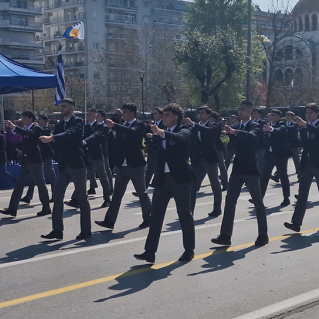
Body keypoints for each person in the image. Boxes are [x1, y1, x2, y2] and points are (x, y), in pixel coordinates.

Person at [134, 103, 195, 264]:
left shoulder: (184, 130)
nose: (163, 118)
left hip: (180, 179)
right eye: (163, 115)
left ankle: (189, 249)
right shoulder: (160, 133)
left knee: (184, 215)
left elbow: (180, 138)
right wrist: (152, 139)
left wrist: (161, 133)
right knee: (156, 216)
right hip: (162, 179)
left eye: (167, 115)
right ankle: (149, 252)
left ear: (176, 117)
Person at [211, 100, 268, 247]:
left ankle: (263, 234)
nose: (240, 111)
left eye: (243, 109)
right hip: (237, 169)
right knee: (230, 201)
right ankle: (225, 235)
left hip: (250, 168)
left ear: (250, 112)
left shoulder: (255, 125)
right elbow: (233, 143)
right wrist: (230, 132)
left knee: (258, 202)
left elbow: (252, 137)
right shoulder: (235, 126)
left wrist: (235, 132)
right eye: (239, 109)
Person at [39, 98, 92, 240]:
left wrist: (52, 138)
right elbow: (56, 143)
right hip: (64, 165)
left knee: (82, 198)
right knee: (57, 196)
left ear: (72, 108)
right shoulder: (59, 124)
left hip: (77, 165)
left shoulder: (78, 122)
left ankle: (86, 230)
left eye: (64, 106)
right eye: (61, 106)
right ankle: (57, 230)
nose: (61, 108)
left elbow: (70, 135)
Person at [95, 103, 152, 231]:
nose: (123, 114)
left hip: (136, 165)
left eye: (125, 112)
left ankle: (148, 218)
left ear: (133, 113)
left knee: (141, 193)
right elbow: (119, 147)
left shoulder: (139, 125)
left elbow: (133, 133)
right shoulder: (123, 126)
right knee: (117, 195)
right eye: (123, 112)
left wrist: (115, 125)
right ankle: (109, 221)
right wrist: (116, 164)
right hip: (123, 165)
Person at [284, 103, 319, 232]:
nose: (308, 115)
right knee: (302, 194)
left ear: (317, 113)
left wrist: (306, 125)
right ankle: (296, 222)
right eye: (306, 113)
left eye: (311, 113)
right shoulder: (303, 127)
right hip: (306, 163)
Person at [0, 111, 52, 217]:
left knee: (41, 185)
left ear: (30, 119)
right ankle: (12, 208)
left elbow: (30, 134)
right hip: (26, 160)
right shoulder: (26, 129)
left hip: (35, 161)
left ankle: (46, 208)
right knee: (19, 185)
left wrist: (15, 127)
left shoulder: (36, 128)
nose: (22, 119)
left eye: (24, 118)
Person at [188, 105, 223, 217]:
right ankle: (189, 211)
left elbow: (210, 132)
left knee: (215, 183)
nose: (200, 115)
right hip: (197, 159)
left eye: (203, 113)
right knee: (192, 185)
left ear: (208, 115)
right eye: (199, 113)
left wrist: (194, 124)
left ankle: (217, 208)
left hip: (210, 159)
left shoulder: (214, 125)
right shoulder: (195, 127)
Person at [258, 109, 292, 206]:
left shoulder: (282, 124)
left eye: (273, 115)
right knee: (264, 176)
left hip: (280, 155)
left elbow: (280, 131)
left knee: (283, 176)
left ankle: (286, 198)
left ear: (278, 117)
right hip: (270, 154)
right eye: (270, 115)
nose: (271, 117)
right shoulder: (268, 126)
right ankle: (259, 197)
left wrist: (271, 130)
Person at [80, 108, 112, 207]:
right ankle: (77, 198)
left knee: (103, 176)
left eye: (89, 114)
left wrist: (86, 141)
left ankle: (107, 198)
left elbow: (97, 136)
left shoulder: (101, 126)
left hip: (97, 154)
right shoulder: (86, 126)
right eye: (87, 114)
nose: (87, 116)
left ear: (95, 116)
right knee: (82, 176)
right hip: (87, 154)